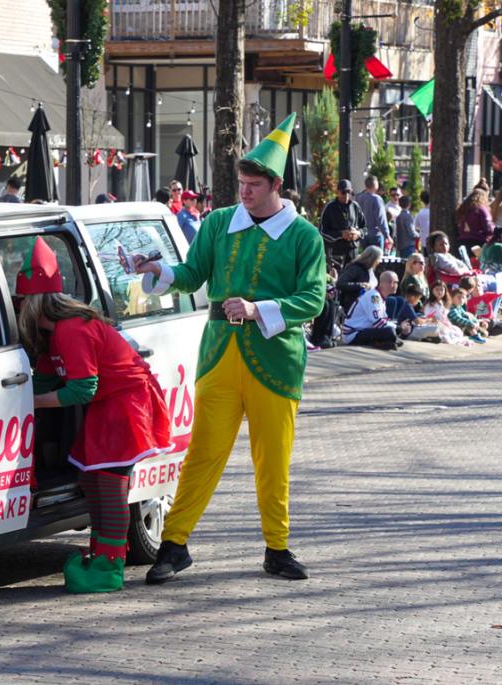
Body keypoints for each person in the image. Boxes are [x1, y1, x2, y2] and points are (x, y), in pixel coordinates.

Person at [136, 113, 325, 584]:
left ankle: (276, 548)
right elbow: (191, 275)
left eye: (253, 185)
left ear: (275, 184)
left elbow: (313, 299)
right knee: (203, 452)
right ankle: (174, 545)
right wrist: (155, 270)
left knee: (272, 456)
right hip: (220, 354)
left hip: (275, 360)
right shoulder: (219, 223)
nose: (244, 192)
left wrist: (260, 309)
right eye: (241, 183)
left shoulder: (303, 236)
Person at [17, 237, 171, 593]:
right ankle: (101, 555)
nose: (19, 306)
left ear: (34, 302)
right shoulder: (53, 334)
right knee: (91, 480)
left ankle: (110, 567)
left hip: (125, 404)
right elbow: (44, 377)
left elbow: (81, 389)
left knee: (110, 482)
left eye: (23, 300)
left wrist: (33, 403)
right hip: (107, 405)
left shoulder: (70, 331)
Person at [341, 271, 401, 349]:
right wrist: (399, 327)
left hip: (361, 330)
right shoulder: (374, 296)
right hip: (353, 334)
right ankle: (379, 342)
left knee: (392, 332)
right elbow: (378, 323)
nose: (396, 285)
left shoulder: (378, 296)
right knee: (390, 332)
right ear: (391, 283)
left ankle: (382, 342)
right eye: (396, 282)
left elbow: (383, 320)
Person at [319, 179, 365, 268]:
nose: (346, 195)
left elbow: (365, 228)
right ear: (338, 192)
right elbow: (322, 231)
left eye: (349, 192)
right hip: (336, 254)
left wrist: (358, 233)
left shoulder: (355, 206)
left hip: (353, 253)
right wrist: (341, 234)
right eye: (343, 192)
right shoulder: (330, 208)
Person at [336, 245, 381, 314]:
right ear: (373, 258)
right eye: (379, 258)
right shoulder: (355, 268)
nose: (380, 261)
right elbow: (340, 283)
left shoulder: (370, 270)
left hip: (370, 300)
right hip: (356, 304)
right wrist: (360, 285)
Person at [424, 282, 471, 346]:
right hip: (434, 324)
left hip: (443, 324)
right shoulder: (430, 303)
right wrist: (440, 323)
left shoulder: (443, 302)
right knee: (445, 334)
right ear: (432, 290)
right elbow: (429, 317)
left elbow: (444, 317)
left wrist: (448, 324)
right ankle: (432, 337)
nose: (439, 292)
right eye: (437, 289)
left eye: (441, 290)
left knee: (458, 331)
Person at [355, 175, 390, 251]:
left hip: (363, 234)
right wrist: (387, 235)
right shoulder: (377, 199)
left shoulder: (359, 198)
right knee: (376, 260)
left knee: (365, 260)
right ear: (375, 185)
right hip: (375, 234)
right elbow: (381, 219)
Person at [455, 188, 493, 254]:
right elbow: (489, 228)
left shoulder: (462, 209)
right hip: (477, 244)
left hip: (462, 243)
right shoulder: (481, 208)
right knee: (478, 263)